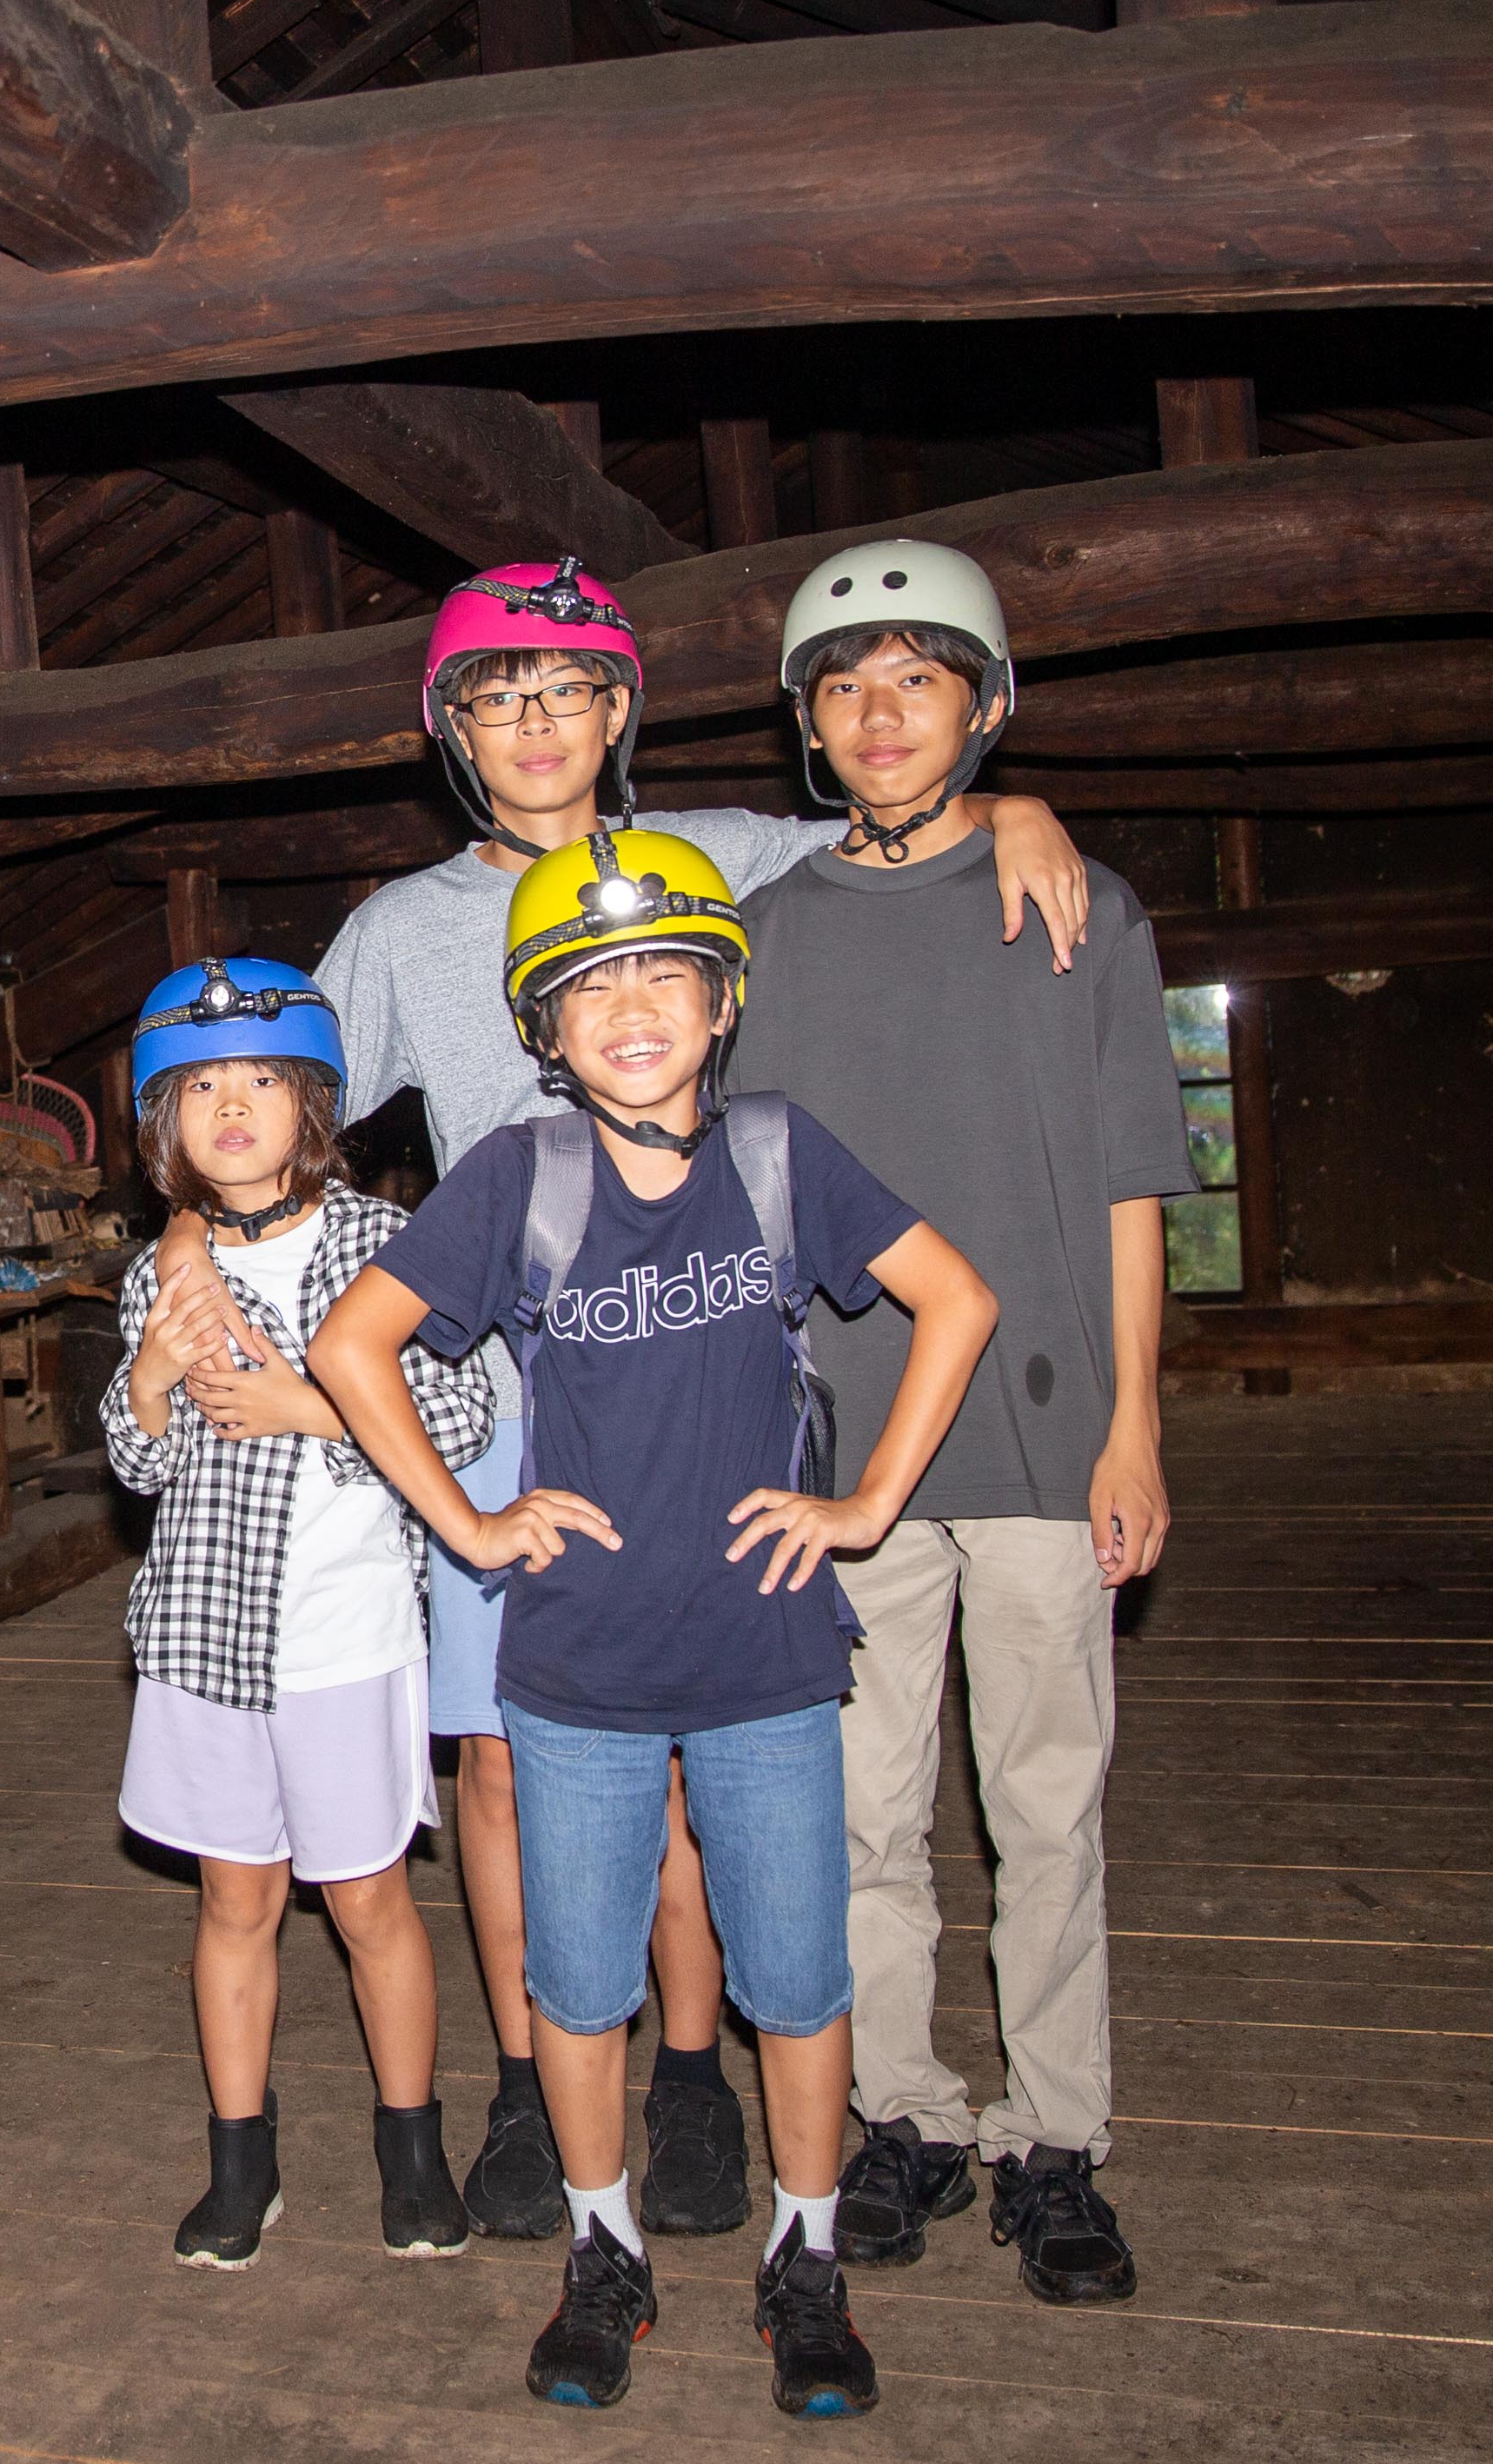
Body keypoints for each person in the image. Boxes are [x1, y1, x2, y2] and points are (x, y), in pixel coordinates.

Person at [160, 556, 1084, 2250]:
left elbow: (898, 822)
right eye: (497, 699)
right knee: (502, 1772)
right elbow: (259, 1101)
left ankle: (690, 2074)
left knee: (680, 1774)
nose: (534, 725)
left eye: (567, 691)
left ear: (619, 713)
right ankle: (533, 2081)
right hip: (489, 1397)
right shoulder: (403, 930)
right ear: (452, 734)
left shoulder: (727, 854)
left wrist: (1015, 806)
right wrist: (180, 1238)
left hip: (692, 1376)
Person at [311, 832, 996, 2420]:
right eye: (592, 985)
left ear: (722, 1001)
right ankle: (601, 2250)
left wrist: (866, 1505)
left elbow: (957, 1298)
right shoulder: (519, 1177)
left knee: (799, 1982)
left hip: (766, 1657)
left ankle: (805, 2261)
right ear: (544, 1029)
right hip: (580, 1667)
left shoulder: (779, 1155)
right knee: (577, 1985)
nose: (631, 1008)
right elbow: (355, 1345)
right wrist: (472, 1525)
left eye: (665, 975)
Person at [726, 537, 1198, 2308]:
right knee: (864, 1814)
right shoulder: (768, 934)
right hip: (848, 1445)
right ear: (808, 725)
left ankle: (1055, 2136)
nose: (879, 713)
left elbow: (1137, 1180)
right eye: (845, 687)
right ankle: (905, 2113)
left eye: (916, 680)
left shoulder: (1081, 907)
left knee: (1047, 1807)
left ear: (985, 705)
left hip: (1045, 1430)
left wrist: (1136, 1426)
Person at [100, 957, 496, 2268]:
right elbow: (137, 1465)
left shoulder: (382, 1247)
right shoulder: (163, 1273)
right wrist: (149, 1378)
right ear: (165, 1120)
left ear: (313, 1103)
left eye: (263, 1081)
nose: (231, 1107)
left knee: (371, 1901)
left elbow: (464, 1416)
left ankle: (413, 2153)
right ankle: (240, 2162)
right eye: (199, 1087)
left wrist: (309, 1408)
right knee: (235, 1904)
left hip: (345, 1637)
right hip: (205, 1641)